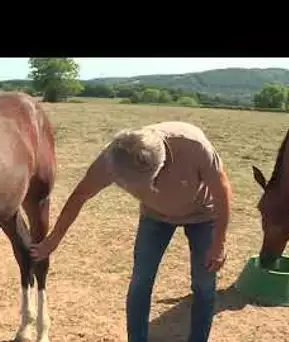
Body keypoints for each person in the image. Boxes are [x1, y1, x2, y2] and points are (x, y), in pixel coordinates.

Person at [29, 121, 232, 342]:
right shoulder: (112, 159)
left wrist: (219, 241)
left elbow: (221, 191)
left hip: (202, 214)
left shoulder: (194, 146)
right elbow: (80, 196)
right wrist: (53, 240)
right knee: (141, 281)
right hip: (155, 216)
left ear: (160, 166)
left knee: (204, 283)